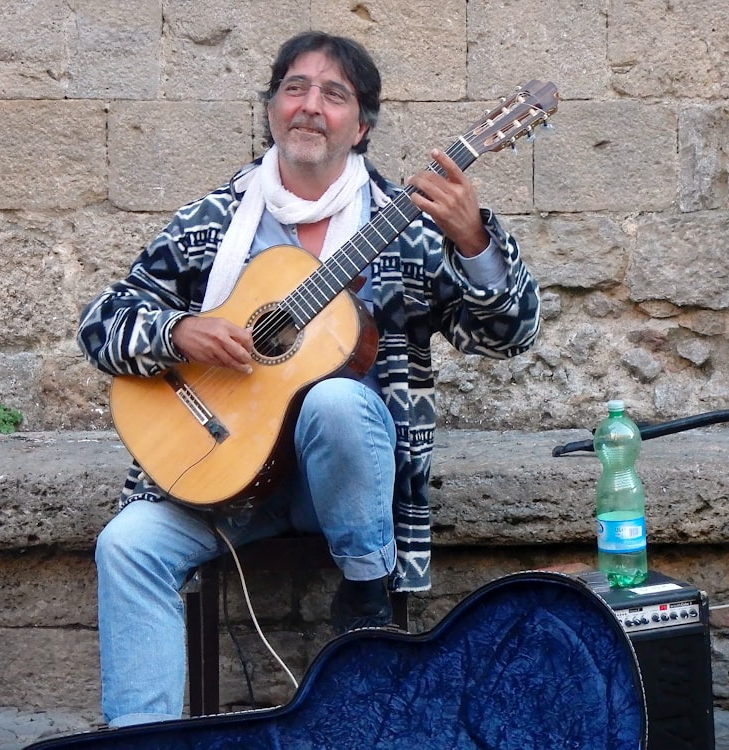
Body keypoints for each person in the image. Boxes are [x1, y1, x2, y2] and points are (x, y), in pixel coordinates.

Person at [77, 31, 541, 728]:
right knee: (126, 545)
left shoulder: (410, 229)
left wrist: (474, 241)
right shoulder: (215, 223)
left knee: (334, 398)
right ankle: (143, 742)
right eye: (294, 88)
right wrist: (176, 332)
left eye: (334, 94)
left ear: (363, 125)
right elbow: (100, 324)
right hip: (222, 475)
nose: (310, 106)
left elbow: (511, 336)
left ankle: (365, 596)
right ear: (271, 110)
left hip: (351, 487)